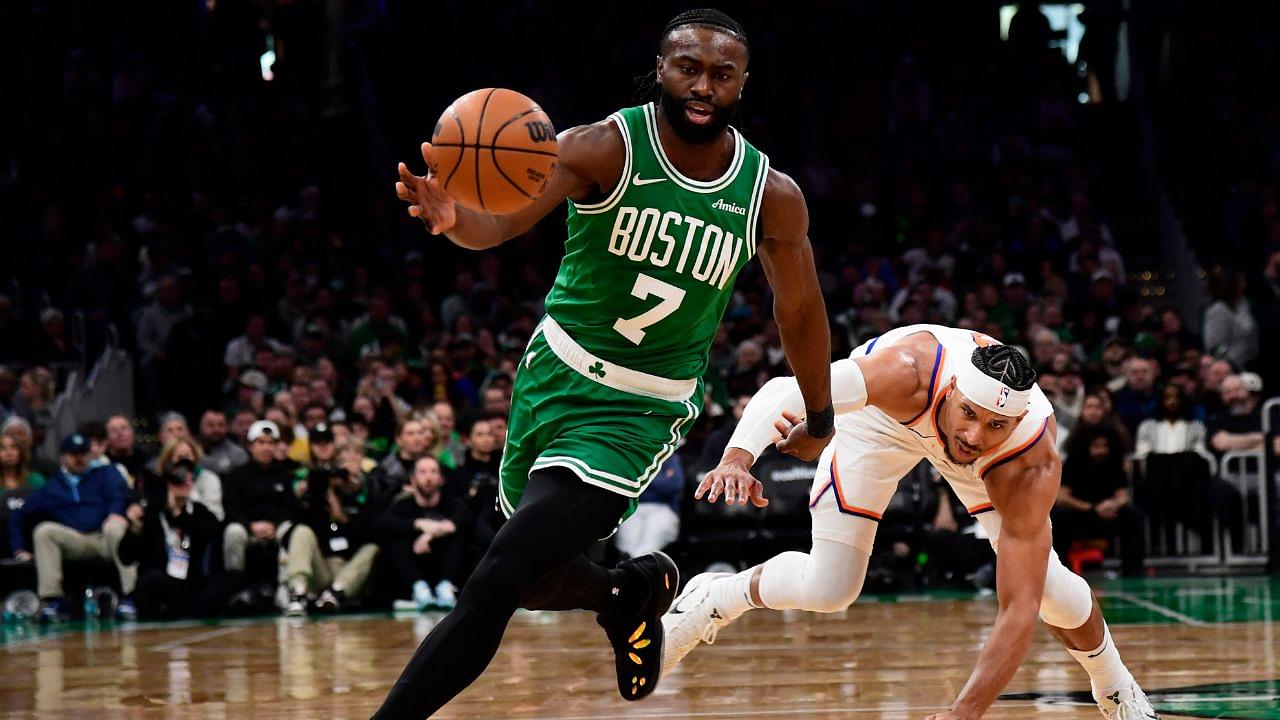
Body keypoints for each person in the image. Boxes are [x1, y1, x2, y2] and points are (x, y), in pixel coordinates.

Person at [381, 8, 834, 714]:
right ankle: (626, 592)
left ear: (744, 83)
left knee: (495, 579)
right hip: (551, 376)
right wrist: (453, 218)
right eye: (689, 68)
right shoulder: (602, 149)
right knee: (530, 577)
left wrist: (821, 412)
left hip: (638, 409)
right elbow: (501, 220)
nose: (703, 85)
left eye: (722, 73)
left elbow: (800, 311)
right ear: (661, 69)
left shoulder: (769, 196)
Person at [664, 326, 1159, 719]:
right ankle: (716, 597)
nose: (973, 433)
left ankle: (1114, 686)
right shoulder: (907, 372)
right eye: (969, 413)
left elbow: (1018, 609)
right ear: (954, 391)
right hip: (881, 421)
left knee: (1050, 589)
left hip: (985, 468)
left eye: (995, 424)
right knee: (830, 589)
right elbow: (783, 388)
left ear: (1015, 424)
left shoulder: (1028, 459)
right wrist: (737, 457)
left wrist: (964, 712)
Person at [8, 434, 136, 622]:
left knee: (116, 526)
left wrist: (116, 512)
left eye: (83, 453)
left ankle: (132, 596)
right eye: (73, 453)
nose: (79, 458)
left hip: (106, 537)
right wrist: (19, 549)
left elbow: (120, 495)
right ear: (63, 458)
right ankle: (54, 601)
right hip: (76, 542)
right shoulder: (52, 487)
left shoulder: (106, 473)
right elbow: (19, 517)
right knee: (44, 531)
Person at [119, 461, 237, 619]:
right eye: (179, 480)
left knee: (233, 576)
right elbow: (126, 558)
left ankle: (181, 612)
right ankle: (190, 611)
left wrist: (177, 513)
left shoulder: (199, 511)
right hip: (161, 580)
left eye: (190, 479)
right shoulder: (150, 513)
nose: (187, 483)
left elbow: (210, 532)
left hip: (190, 584)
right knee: (151, 579)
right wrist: (134, 529)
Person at [282, 424, 380, 615]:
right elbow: (292, 532)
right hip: (321, 566)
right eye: (318, 443)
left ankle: (336, 593)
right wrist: (308, 499)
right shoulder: (308, 483)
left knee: (373, 548)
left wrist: (344, 506)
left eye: (355, 455)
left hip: (347, 567)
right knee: (301, 531)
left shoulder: (364, 487)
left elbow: (370, 530)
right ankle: (298, 594)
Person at [375, 456, 472, 612]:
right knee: (396, 537)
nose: (428, 477)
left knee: (458, 537)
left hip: (444, 565)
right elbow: (383, 524)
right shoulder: (402, 505)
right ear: (413, 479)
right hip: (413, 567)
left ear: (441, 479)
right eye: (423, 472)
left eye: (433, 472)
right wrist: (417, 524)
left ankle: (445, 588)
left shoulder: (452, 502)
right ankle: (419, 589)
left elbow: (461, 520)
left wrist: (429, 535)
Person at [1052, 425, 1145, 576]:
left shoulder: (1114, 463)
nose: (1101, 451)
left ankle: (1132, 571)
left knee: (1133, 516)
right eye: (1096, 446)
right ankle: (1060, 571)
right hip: (1081, 514)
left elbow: (1123, 495)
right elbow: (1062, 497)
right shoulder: (1074, 463)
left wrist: (1113, 505)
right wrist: (1092, 508)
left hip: (1108, 515)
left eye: (1105, 446)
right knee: (1058, 516)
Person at [198, 409, 250, 478]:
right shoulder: (191, 451)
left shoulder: (238, 454)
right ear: (201, 427)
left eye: (221, 425)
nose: (216, 429)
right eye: (210, 425)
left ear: (227, 427)